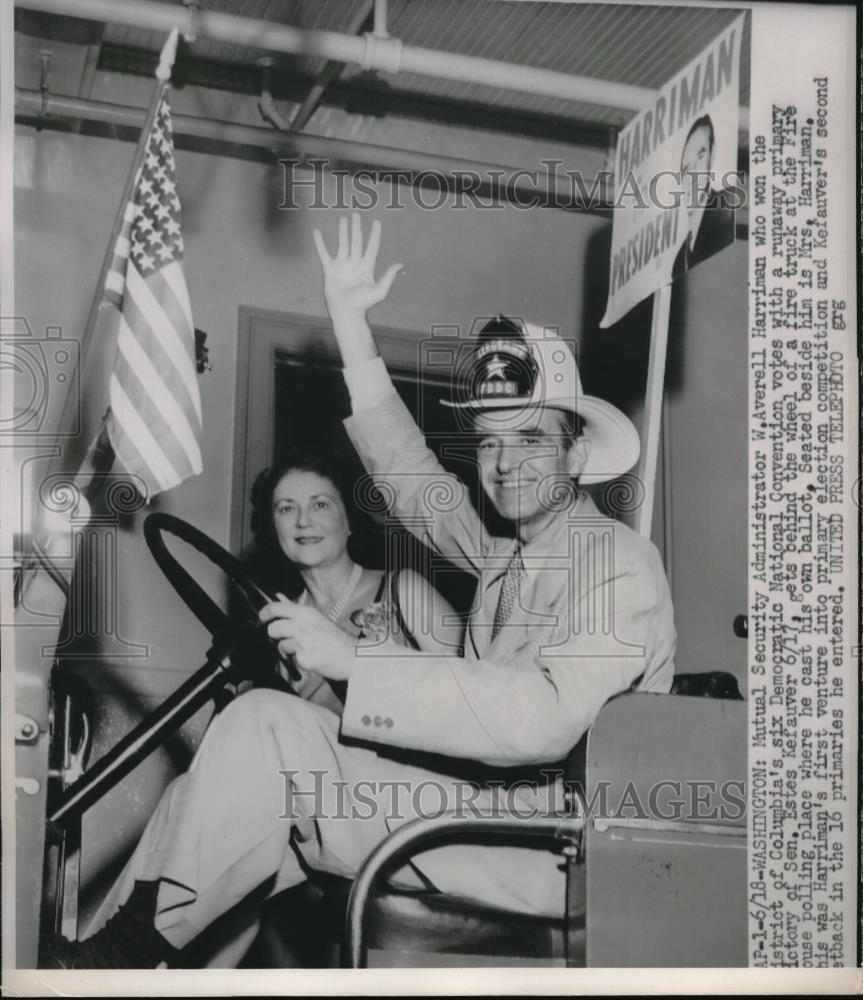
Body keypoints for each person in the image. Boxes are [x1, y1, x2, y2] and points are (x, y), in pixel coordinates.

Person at [44, 216, 675, 969]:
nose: (505, 465)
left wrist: (354, 663)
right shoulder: (515, 551)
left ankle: (112, 959)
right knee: (244, 745)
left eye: (530, 440)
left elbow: (541, 721)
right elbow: (413, 484)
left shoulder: (617, 564)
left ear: (575, 453)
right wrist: (350, 326)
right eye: (489, 443)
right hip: (476, 815)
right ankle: (105, 957)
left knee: (265, 734)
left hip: (545, 849)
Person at [672, 114, 736, 278]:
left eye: (700, 158)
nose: (692, 176)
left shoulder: (727, 213)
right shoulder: (680, 259)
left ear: (712, 154)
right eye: (686, 169)